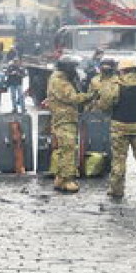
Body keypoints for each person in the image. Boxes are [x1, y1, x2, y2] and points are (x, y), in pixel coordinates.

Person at [95, 58, 136, 201]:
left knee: (119, 160)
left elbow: (105, 106)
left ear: (122, 70)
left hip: (119, 127)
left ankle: (117, 190)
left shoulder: (117, 86)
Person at [44, 55, 88, 192]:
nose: (75, 69)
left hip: (65, 118)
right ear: (67, 68)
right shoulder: (59, 80)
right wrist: (90, 96)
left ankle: (60, 179)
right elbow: (72, 98)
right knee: (69, 149)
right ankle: (68, 180)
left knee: (64, 149)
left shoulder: (61, 78)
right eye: (73, 67)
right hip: (64, 119)